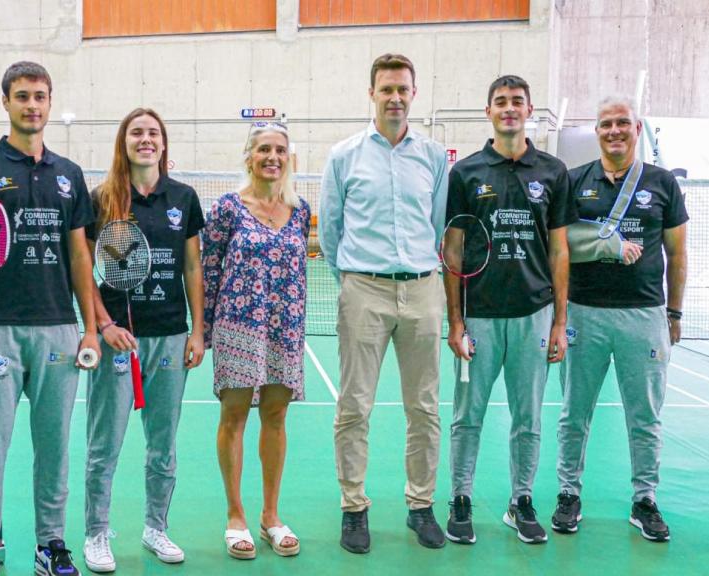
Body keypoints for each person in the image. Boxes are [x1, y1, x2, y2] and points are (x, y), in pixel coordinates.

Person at [0, 61, 99, 576]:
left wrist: (90, 328)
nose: (32, 105)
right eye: (22, 96)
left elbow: (80, 257)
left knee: (54, 452)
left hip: (58, 330)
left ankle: (49, 547)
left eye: (40, 96)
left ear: (50, 104)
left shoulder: (69, 176)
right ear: (6, 103)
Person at [319, 53, 449, 552]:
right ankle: (354, 508)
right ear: (371, 93)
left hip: (422, 290)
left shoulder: (434, 156)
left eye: (403, 89)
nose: (395, 97)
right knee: (354, 405)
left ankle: (421, 505)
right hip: (363, 290)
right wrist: (354, 280)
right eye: (386, 89)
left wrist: (418, 271)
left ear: (413, 94)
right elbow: (330, 232)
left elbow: (436, 224)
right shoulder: (343, 156)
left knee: (424, 407)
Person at [442, 75, 576, 546]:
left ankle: (521, 501)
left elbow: (560, 251)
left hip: (533, 315)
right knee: (468, 415)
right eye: (500, 102)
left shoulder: (553, 172)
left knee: (529, 418)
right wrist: (455, 321)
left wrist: (560, 321)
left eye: (517, 102)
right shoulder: (467, 173)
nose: (509, 109)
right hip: (479, 315)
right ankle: (460, 499)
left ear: (529, 109)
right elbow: (453, 251)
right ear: (489, 112)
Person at [552, 95, 687, 542]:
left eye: (622, 123)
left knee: (645, 416)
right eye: (606, 123)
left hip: (643, 315)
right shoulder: (574, 181)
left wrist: (674, 312)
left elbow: (677, 253)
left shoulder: (662, 183)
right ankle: (568, 494)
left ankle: (644, 499)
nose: (614, 131)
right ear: (597, 131)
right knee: (574, 413)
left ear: (637, 127)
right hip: (584, 314)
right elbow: (561, 245)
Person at [81, 108, 206, 572]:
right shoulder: (104, 199)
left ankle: (156, 528)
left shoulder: (184, 198)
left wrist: (198, 330)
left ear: (163, 143)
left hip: (171, 338)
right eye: (137, 133)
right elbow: (83, 269)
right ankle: (96, 534)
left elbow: (193, 268)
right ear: (124, 142)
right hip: (121, 342)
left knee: (163, 446)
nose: (146, 139)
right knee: (104, 446)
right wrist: (102, 326)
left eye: (153, 133)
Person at [202, 121, 311, 560]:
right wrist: (204, 331)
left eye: (280, 150)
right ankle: (235, 515)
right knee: (234, 417)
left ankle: (270, 515)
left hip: (284, 328)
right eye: (264, 149)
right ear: (249, 156)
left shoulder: (300, 210)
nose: (272, 157)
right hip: (237, 326)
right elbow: (209, 269)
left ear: (289, 158)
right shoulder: (228, 207)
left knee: (276, 416)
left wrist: (296, 328)